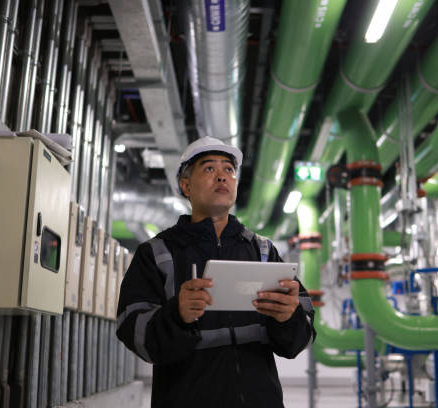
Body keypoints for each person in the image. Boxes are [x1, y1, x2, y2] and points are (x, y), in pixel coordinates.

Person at [116, 136, 316, 407]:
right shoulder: (157, 253)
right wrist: (176, 315)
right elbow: (134, 332)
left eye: (229, 170)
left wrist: (289, 317)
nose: (222, 176)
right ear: (185, 185)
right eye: (209, 168)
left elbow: (300, 338)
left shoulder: (263, 251)